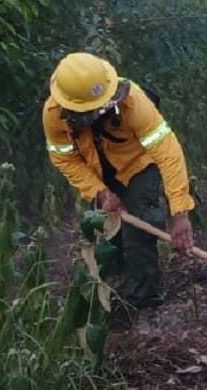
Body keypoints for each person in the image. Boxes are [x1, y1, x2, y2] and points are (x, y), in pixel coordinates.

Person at [43, 52, 195, 312]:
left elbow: (168, 153)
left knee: (140, 231)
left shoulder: (134, 101)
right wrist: (99, 192)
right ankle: (112, 295)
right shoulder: (53, 115)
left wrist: (179, 212)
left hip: (137, 166)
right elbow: (64, 160)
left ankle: (144, 304)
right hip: (97, 174)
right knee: (107, 236)